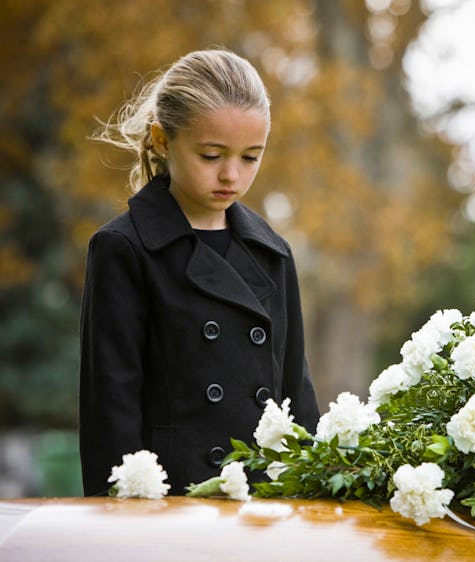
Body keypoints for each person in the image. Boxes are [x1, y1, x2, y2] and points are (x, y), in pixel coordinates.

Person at [79, 49, 319, 496]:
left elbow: (296, 396)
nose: (231, 174)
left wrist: (316, 498)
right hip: (169, 511)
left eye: (250, 157)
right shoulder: (123, 248)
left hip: (264, 509)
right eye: (211, 155)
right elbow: (110, 410)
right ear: (163, 140)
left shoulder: (273, 253)